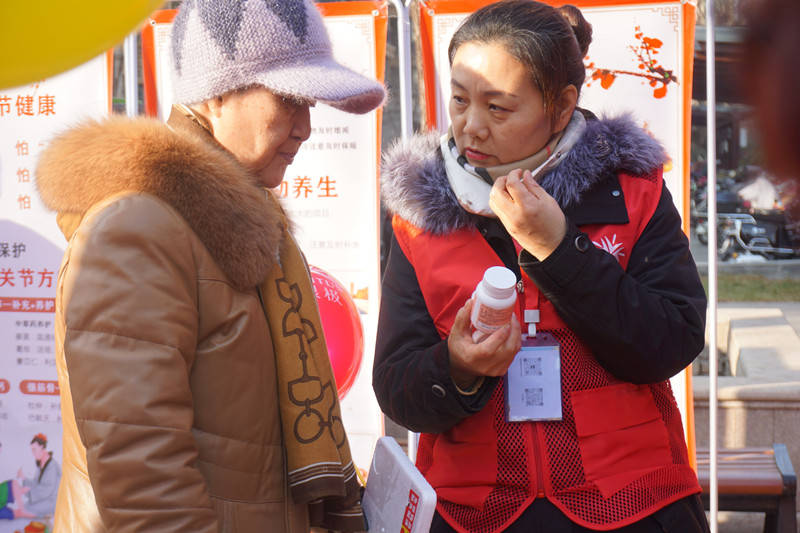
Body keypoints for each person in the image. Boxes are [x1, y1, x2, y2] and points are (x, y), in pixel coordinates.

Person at [34, 0, 384, 531]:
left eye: (310, 103)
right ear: (217, 94)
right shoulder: (138, 231)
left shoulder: (239, 221)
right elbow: (145, 487)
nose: (306, 128)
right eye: (290, 99)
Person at [373, 1, 708, 532]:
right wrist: (456, 368)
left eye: (499, 108)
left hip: (633, 504)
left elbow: (672, 341)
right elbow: (396, 388)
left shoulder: (633, 190)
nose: (471, 127)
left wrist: (557, 249)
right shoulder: (421, 214)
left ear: (561, 105)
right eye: (459, 101)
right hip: (472, 512)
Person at [15, 434, 60, 519]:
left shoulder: (52, 466)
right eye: (32, 450)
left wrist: (26, 491)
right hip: (45, 498)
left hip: (53, 500)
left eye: (34, 450)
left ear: (42, 447)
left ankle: (48, 516)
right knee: (25, 506)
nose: (33, 453)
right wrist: (23, 478)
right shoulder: (42, 464)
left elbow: (45, 491)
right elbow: (36, 483)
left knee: (27, 508)